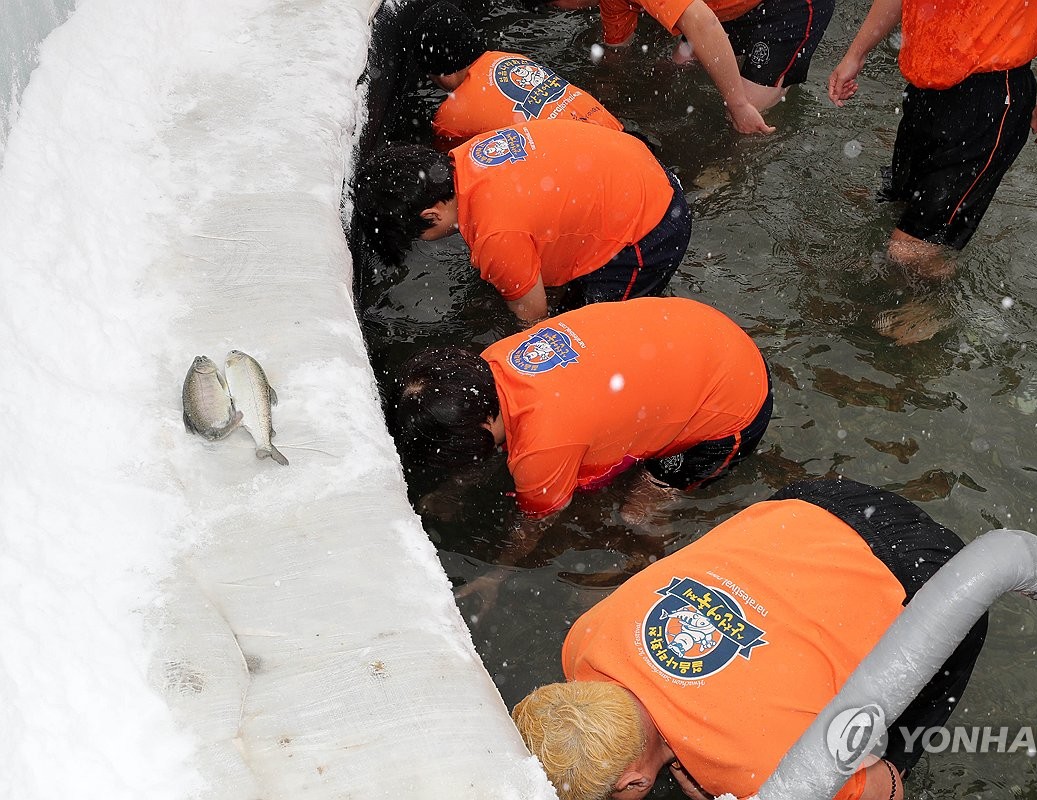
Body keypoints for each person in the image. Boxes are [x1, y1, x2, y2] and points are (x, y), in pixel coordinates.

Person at [513, 477, 989, 800]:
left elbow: (888, 788)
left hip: (931, 578)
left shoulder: (755, 770)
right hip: (813, 504)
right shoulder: (583, 643)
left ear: (634, 783)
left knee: (893, 756)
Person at [393, 296, 772, 524]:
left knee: (634, 514)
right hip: (700, 329)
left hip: (736, 403)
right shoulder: (495, 358)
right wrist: (456, 489)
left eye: (459, 451)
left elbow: (537, 521)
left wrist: (500, 573)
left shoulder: (542, 450)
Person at [828, 0, 1037, 281]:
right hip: (926, 84)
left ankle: (929, 315)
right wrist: (857, 53)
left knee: (910, 251)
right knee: (898, 208)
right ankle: (915, 296)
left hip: (990, 94)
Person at [353, 119, 691, 326]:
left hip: (651, 229)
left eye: (420, 235)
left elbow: (534, 320)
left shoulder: (495, 236)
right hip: (642, 169)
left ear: (431, 215)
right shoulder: (470, 154)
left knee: (583, 332)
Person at [542, 0, 834, 135]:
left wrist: (738, 103)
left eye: (558, 6)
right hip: (727, 9)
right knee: (675, 65)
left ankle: (735, 172)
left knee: (747, 120)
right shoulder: (612, 3)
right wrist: (605, 93)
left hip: (790, 6)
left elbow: (702, 22)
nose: (568, 11)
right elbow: (616, 53)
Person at [412, 1, 624, 149]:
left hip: (583, 166)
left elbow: (455, 174)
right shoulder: (511, 58)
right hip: (618, 135)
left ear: (442, 76)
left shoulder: (450, 119)